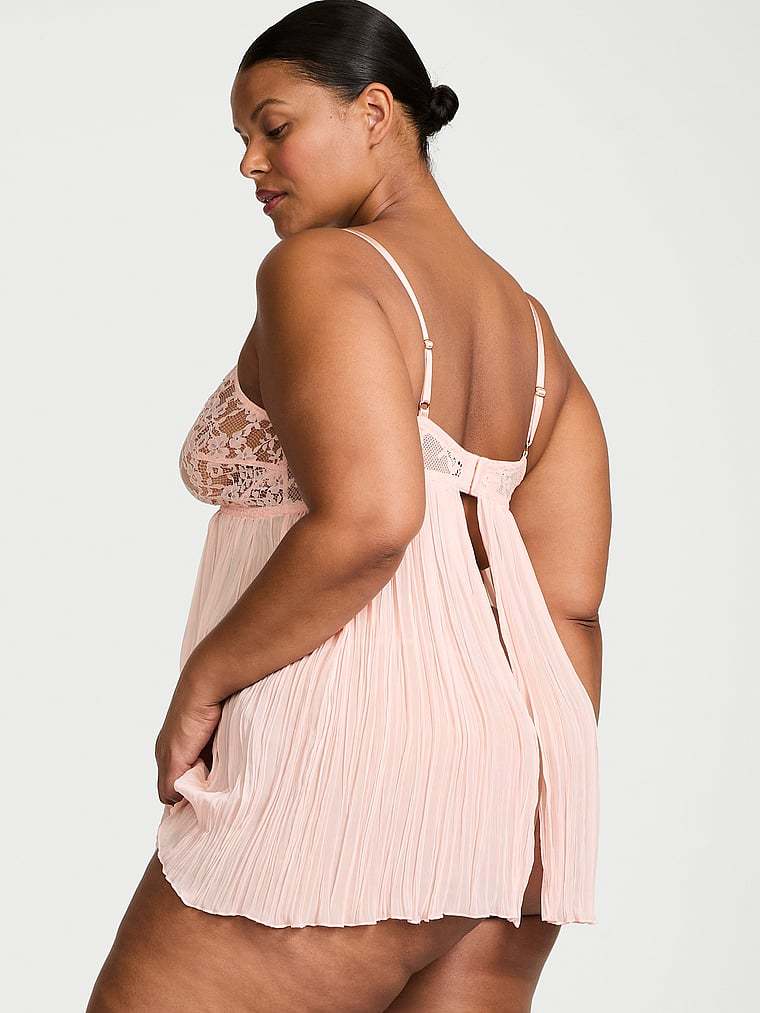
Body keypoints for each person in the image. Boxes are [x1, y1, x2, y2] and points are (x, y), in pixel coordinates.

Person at [87, 2, 611, 1010]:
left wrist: (203, 683)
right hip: (513, 788)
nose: (250, 162)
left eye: (273, 126)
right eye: (242, 137)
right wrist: (533, 791)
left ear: (374, 112)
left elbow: (371, 517)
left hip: (341, 757)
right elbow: (570, 606)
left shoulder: (322, 269)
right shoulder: (537, 335)